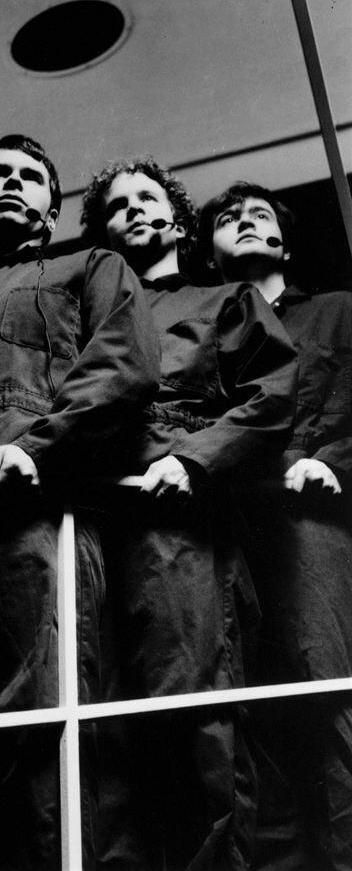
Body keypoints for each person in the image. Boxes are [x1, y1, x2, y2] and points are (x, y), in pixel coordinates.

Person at [80, 159, 298, 871]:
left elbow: (272, 397)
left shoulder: (225, 298)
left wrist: (195, 459)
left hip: (176, 523)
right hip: (90, 521)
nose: (135, 210)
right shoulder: (87, 313)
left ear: (177, 220)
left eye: (148, 198)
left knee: (193, 710)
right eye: (118, 207)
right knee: (104, 729)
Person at [0, 135, 161, 871]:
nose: (14, 182)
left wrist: (41, 446)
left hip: (30, 516)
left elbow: (125, 363)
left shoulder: (90, 266)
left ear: (51, 209)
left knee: (38, 739)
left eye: (31, 177)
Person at [200, 181, 351, 871]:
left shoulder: (337, 312)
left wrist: (335, 462)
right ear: (210, 252)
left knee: (327, 704)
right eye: (229, 218)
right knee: (247, 725)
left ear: (285, 243)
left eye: (259, 214)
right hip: (222, 535)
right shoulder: (204, 325)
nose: (244, 222)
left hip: (309, 528)